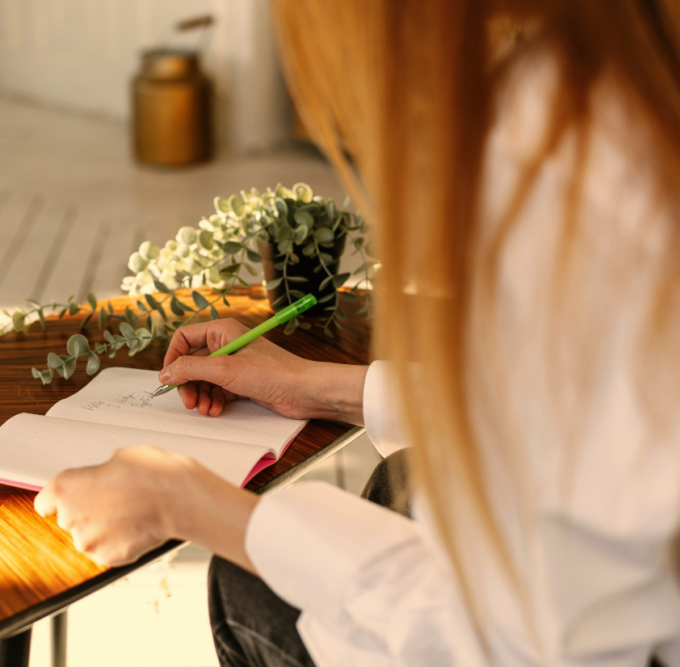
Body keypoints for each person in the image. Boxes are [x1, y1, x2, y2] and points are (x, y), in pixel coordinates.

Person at [34, 1, 680, 665]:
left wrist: (187, 505)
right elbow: (565, 406)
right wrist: (314, 386)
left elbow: (520, 643)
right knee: (399, 482)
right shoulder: (631, 79)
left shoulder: (568, 146)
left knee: (244, 582)